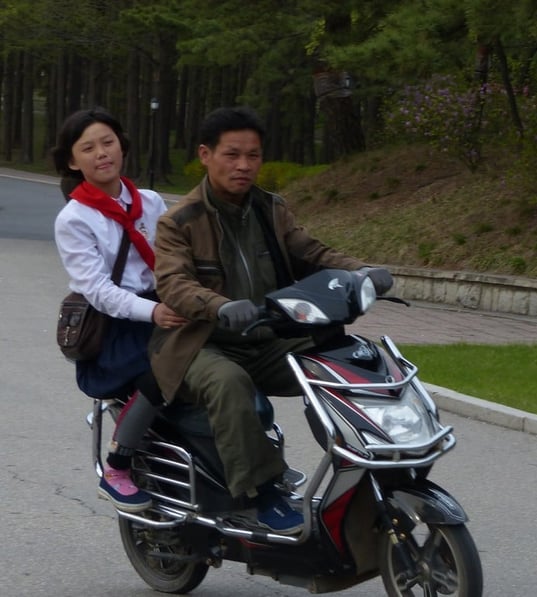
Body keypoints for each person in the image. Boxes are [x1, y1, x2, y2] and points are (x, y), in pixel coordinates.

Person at [149, 106, 392, 535]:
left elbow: (312, 253)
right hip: (201, 343)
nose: (243, 165)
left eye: (253, 155)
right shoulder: (179, 221)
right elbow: (174, 283)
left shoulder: (271, 210)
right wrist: (218, 305)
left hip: (267, 338)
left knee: (347, 358)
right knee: (229, 382)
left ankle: (373, 457)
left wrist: (362, 271)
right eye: (232, 154)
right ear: (205, 155)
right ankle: (260, 494)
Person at [53, 108, 188, 513]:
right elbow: (97, 290)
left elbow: (173, 259)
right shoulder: (74, 218)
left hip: (162, 306)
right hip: (115, 328)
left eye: (107, 142)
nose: (101, 154)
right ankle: (118, 466)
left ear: (122, 146)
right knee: (166, 370)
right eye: (88, 148)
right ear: (74, 161)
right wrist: (153, 313)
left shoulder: (148, 201)